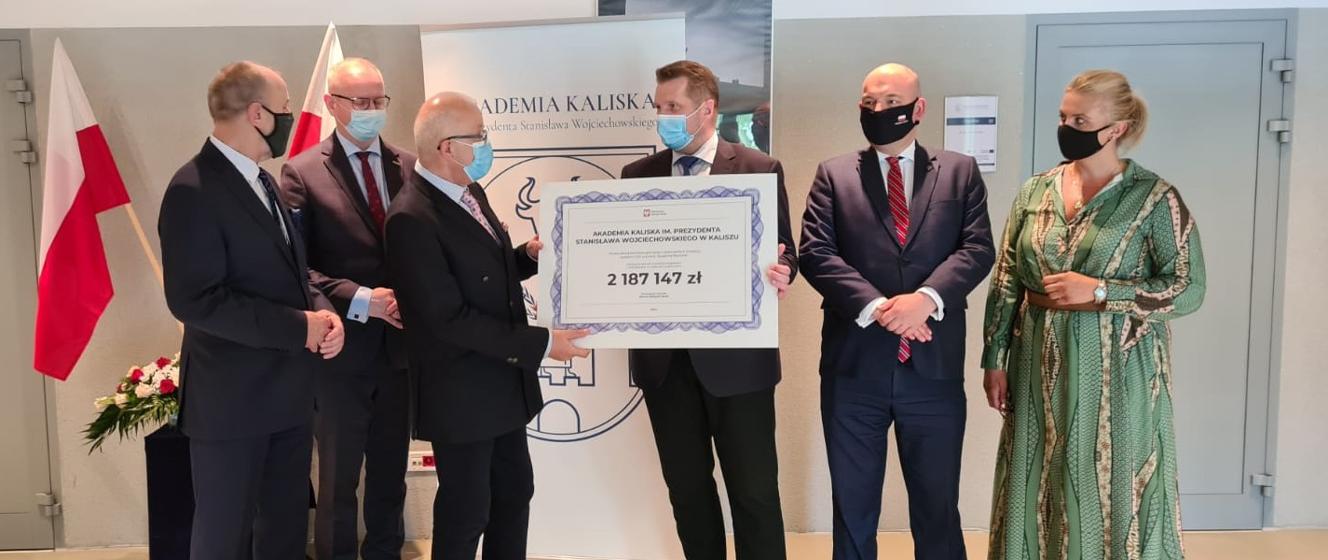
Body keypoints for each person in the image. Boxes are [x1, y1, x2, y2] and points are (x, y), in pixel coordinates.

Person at [982, 69, 1205, 560]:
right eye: (1063, 117)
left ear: (1117, 128)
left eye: (1080, 119)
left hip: (1119, 372)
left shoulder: (1154, 198)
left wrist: (1104, 291)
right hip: (1036, 363)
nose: (1067, 127)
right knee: (1035, 474)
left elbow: (1188, 288)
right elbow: (1007, 276)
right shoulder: (1035, 192)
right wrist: (994, 357)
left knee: (1112, 480)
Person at [799, 63, 995, 560]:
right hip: (853, 371)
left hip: (933, 371)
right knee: (853, 510)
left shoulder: (960, 171)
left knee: (937, 509)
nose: (879, 110)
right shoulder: (834, 174)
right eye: (869, 102)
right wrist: (881, 308)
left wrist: (925, 300)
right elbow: (816, 252)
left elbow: (977, 249)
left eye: (891, 102)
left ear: (918, 108)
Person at [384, 92, 590, 560]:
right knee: (467, 511)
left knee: (513, 495)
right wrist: (542, 344)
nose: (486, 144)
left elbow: (483, 274)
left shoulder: (467, 191)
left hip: (500, 384)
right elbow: (447, 318)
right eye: (478, 136)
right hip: (461, 392)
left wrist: (526, 257)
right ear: (447, 147)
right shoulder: (411, 217)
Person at [158, 61, 345, 560]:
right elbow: (195, 299)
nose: (289, 118)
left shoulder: (264, 182)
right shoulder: (193, 189)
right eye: (285, 109)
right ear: (258, 114)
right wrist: (299, 328)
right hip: (231, 406)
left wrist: (324, 313)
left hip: (288, 396)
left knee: (285, 535)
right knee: (223, 539)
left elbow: (294, 273)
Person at [620, 59, 798, 560]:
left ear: (707, 109)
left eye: (673, 107)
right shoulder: (636, 176)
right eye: (659, 107)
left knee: (755, 492)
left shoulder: (760, 169)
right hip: (664, 365)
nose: (664, 117)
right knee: (688, 492)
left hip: (739, 363)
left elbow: (786, 249)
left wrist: (784, 269)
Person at [278, 57, 414, 560]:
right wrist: (362, 300)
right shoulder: (302, 171)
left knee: (391, 475)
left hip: (401, 352)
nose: (373, 109)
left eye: (380, 100)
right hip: (339, 353)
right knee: (337, 480)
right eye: (361, 101)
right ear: (332, 104)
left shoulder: (410, 166)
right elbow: (295, 267)